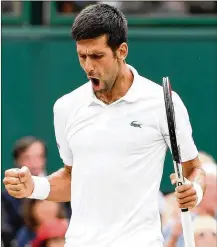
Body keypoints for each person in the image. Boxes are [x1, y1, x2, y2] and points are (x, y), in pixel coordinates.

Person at [3, 4, 206, 247]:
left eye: (97, 56)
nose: (89, 66)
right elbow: (72, 179)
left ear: (121, 51)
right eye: (82, 56)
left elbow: (195, 168)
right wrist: (33, 186)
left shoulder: (162, 102)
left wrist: (195, 189)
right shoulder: (66, 107)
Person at [1, 136, 47, 247]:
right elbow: (6, 233)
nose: (34, 163)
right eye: (27, 158)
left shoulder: (61, 193)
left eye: (38, 157)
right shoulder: (6, 198)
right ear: (17, 161)